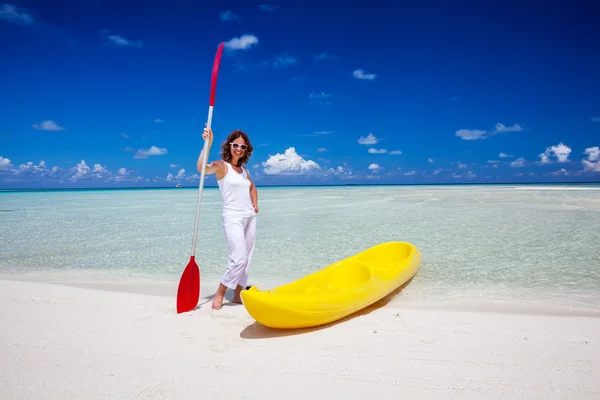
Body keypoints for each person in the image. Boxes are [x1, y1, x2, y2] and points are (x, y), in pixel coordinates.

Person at [196, 124, 259, 310]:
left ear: (246, 150)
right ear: (229, 146)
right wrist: (208, 144)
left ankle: (238, 295)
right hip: (232, 217)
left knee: (247, 257)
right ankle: (220, 293)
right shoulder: (221, 166)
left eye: (243, 146)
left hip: (249, 216)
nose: (239, 149)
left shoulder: (244, 171)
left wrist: (255, 203)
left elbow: (252, 187)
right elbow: (202, 168)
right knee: (238, 257)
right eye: (235, 145)